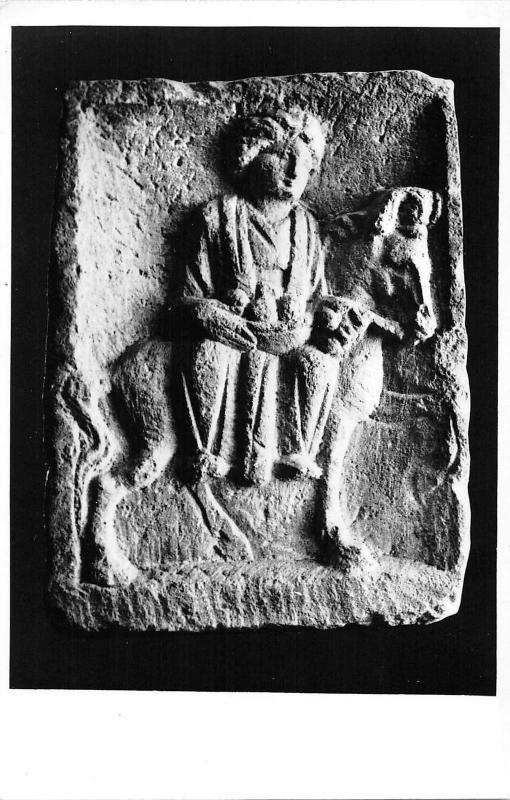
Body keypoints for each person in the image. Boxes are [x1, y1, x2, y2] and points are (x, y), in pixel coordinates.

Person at [172, 109, 365, 486]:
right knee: (208, 354)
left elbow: (316, 296)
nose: (293, 171)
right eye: (281, 155)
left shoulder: (306, 227)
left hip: (287, 334)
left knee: (318, 362)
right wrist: (210, 314)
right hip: (235, 332)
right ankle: (207, 452)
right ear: (251, 155)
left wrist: (332, 319)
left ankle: (297, 453)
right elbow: (184, 301)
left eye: (304, 163)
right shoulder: (218, 216)